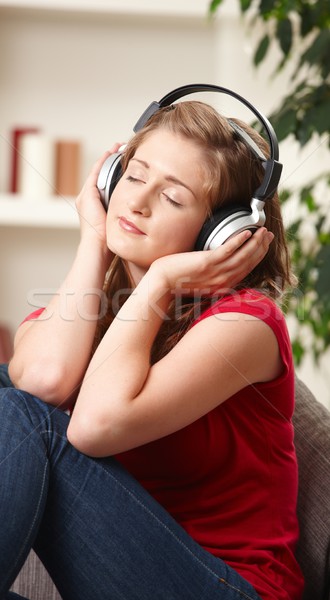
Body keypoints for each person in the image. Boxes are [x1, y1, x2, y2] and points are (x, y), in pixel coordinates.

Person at [0, 98, 304, 600]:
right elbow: (43, 381)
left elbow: (93, 427)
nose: (137, 203)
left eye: (174, 198)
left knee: (24, 418)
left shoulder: (247, 323)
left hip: (229, 587)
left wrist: (161, 279)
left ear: (220, 233)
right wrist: (94, 241)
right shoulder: (102, 300)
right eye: (135, 177)